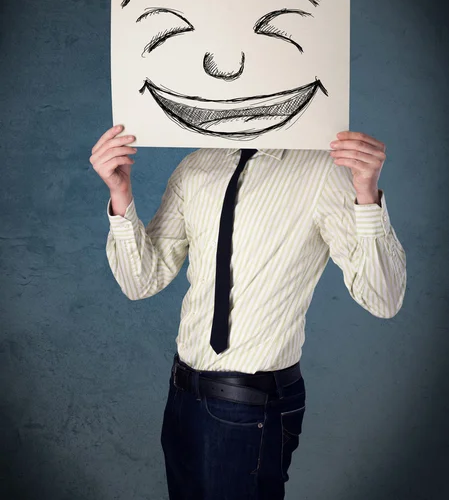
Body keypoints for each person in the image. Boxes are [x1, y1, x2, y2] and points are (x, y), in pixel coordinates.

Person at [89, 125, 406, 500]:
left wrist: (367, 195)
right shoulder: (195, 167)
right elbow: (141, 281)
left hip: (252, 405)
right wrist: (120, 194)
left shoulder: (323, 171)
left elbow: (384, 299)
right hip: (182, 396)